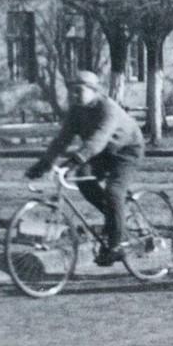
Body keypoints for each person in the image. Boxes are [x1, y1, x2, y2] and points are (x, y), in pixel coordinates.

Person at [25, 70, 144, 266]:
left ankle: (117, 245)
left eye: (78, 91)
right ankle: (115, 219)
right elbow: (61, 140)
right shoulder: (76, 112)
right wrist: (44, 164)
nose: (73, 96)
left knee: (114, 191)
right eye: (71, 91)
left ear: (94, 90)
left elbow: (98, 140)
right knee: (83, 178)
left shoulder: (108, 109)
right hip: (103, 153)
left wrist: (72, 162)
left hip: (126, 151)